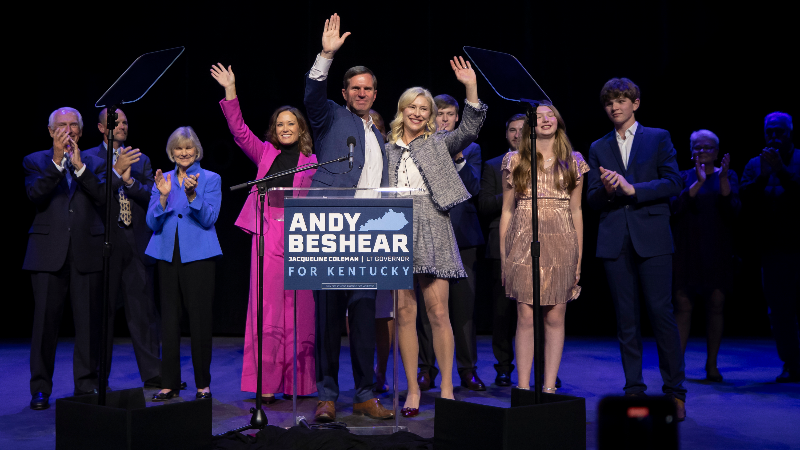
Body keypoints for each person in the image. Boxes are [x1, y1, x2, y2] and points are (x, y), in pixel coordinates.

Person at [386, 57, 487, 418]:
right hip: (395, 227)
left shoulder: (438, 142)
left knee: (439, 311)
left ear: (430, 115)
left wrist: (470, 87)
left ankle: (446, 387)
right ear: (402, 110)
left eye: (424, 108)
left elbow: (472, 127)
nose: (417, 113)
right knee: (405, 312)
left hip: (434, 224)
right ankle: (413, 389)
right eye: (412, 107)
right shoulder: (388, 148)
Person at [304, 14, 392, 422]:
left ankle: (363, 395)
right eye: (355, 87)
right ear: (345, 91)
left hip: (372, 230)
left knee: (362, 314)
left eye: (368, 88)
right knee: (327, 315)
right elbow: (311, 98)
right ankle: (326, 396)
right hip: (330, 225)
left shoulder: (377, 133)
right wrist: (326, 54)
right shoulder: (330, 119)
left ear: (375, 93)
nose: (362, 92)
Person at [211, 63, 318, 402]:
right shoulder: (265, 154)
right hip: (266, 233)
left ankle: (298, 384)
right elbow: (239, 130)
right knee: (267, 309)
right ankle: (267, 384)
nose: (285, 128)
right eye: (280, 124)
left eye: (291, 123)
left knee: (299, 309)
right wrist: (230, 90)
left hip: (300, 235)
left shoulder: (314, 160)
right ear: (274, 129)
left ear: (301, 128)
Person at [586, 78, 686, 420]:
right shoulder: (599, 146)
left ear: (635, 103)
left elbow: (675, 181)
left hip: (653, 237)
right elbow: (593, 198)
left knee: (661, 314)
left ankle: (674, 392)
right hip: (616, 240)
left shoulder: (658, 137)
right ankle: (634, 391)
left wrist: (633, 188)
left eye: (621, 100)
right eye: (609, 102)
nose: (615, 107)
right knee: (626, 320)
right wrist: (611, 191)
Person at [499, 103, 587, 393]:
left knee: (555, 315)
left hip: (562, 240)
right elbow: (508, 211)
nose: (545, 120)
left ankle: (548, 387)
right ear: (530, 126)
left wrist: (578, 258)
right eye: (538, 117)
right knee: (525, 315)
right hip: (524, 239)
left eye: (550, 114)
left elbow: (576, 211)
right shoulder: (515, 160)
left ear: (558, 121)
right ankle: (523, 389)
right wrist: (504, 255)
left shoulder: (574, 161)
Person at [24, 107, 107, 410]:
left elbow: (103, 197)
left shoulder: (96, 162)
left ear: (81, 132)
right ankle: (40, 388)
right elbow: (36, 194)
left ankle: (86, 384)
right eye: (61, 126)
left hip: (86, 249)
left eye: (73, 125)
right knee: (45, 323)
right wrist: (58, 163)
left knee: (87, 322)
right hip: (48, 253)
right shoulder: (35, 161)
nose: (68, 130)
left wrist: (80, 168)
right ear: (50, 132)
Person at [83, 108, 167, 390]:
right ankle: (97, 377)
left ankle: (153, 372)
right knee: (101, 311)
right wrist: (115, 173)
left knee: (142, 309)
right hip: (104, 239)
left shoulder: (140, 158)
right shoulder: (89, 158)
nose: (121, 126)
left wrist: (130, 181)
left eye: (125, 122)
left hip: (134, 237)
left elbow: (150, 194)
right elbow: (94, 192)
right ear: (100, 127)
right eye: (115, 122)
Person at [145, 126, 222, 401]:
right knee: (169, 321)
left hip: (199, 257)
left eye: (188, 148)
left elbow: (209, 219)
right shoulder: (162, 179)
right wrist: (163, 197)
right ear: (172, 152)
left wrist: (192, 196)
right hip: (168, 256)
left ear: (196, 150)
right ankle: (169, 383)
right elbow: (151, 223)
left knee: (200, 322)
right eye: (178, 148)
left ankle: (203, 385)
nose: (184, 152)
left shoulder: (210, 178)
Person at [416, 94, 486, 392]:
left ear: (457, 118)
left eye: (449, 114)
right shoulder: (422, 147)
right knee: (427, 309)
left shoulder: (471, 148)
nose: (444, 119)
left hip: (463, 237)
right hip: (429, 238)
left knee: (463, 309)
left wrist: (458, 158)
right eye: (439, 114)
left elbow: (473, 187)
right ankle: (426, 369)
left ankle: (467, 370)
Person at [671, 130, 740, 382]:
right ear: (691, 151)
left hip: (717, 249)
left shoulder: (728, 175)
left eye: (708, 148)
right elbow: (675, 208)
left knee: (715, 305)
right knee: (683, 305)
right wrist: (698, 182)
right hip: (687, 248)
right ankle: (677, 366)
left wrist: (721, 179)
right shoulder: (682, 177)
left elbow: (733, 211)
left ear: (717, 152)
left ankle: (712, 365)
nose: (703, 152)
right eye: (698, 148)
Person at [740, 112, 800, 383]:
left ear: (790, 133)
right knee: (779, 310)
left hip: (798, 245)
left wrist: (782, 171)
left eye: (780, 132)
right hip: (773, 249)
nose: (774, 137)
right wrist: (764, 176)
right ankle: (792, 364)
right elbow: (744, 203)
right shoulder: (755, 164)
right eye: (769, 132)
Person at [480, 114, 525, 387]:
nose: (517, 134)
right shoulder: (493, 165)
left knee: (534, 310)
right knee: (502, 310)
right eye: (512, 129)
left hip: (536, 243)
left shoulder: (542, 163)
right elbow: (484, 206)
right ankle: (504, 366)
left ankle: (537, 366)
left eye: (523, 130)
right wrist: (512, 192)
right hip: (502, 244)